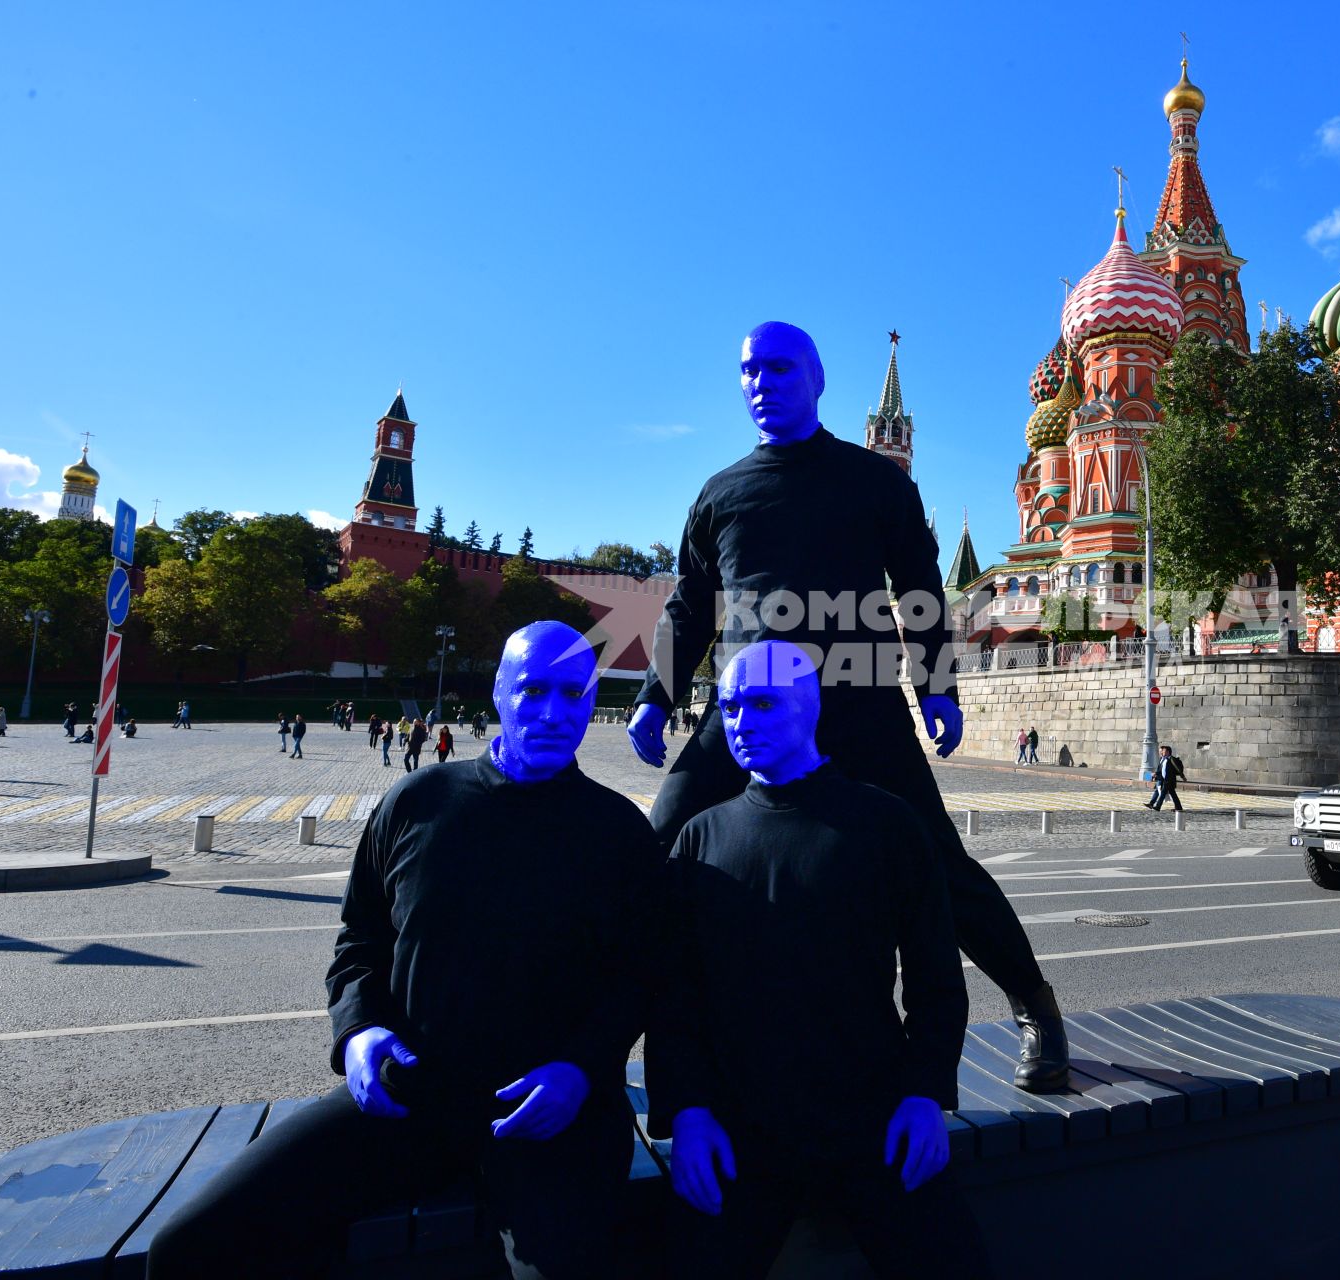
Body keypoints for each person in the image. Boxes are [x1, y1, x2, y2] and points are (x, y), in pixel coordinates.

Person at [146, 621, 662, 1280]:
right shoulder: (418, 801)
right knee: (192, 1244)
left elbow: (642, 976)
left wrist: (583, 1071)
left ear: (594, 703)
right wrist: (358, 1032)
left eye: (573, 693)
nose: (553, 712)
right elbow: (361, 936)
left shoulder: (620, 832)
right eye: (533, 689)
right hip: (411, 1096)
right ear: (500, 691)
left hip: (551, 1115)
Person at [626, 322, 1067, 1091]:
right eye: (749, 371)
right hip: (744, 716)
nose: (762, 382)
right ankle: (585, 1048)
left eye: (780, 367)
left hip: (856, 706)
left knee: (937, 862)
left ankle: (1036, 1008)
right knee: (652, 857)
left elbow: (922, 593)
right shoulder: (721, 494)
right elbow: (690, 605)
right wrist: (655, 696)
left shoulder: (877, 482)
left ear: (818, 378)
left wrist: (938, 688)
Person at [647, 641, 989, 1279]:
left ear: (810, 705)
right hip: (738, 1124)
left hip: (873, 1111)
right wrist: (689, 1112)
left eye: (763, 702)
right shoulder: (699, 839)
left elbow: (936, 978)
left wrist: (923, 1092)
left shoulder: (887, 826)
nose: (743, 722)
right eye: (730, 708)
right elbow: (674, 996)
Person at [1145, 744, 1184, 811]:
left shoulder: (1171, 759)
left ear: (1168, 752)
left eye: (1164, 751)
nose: (1162, 752)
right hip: (1164, 780)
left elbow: (1177, 768)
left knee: (1163, 793)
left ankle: (1158, 807)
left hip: (1169, 780)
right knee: (1173, 794)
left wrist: (1183, 776)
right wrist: (1155, 776)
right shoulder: (1163, 759)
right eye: (1162, 751)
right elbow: (1161, 770)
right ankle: (1179, 807)